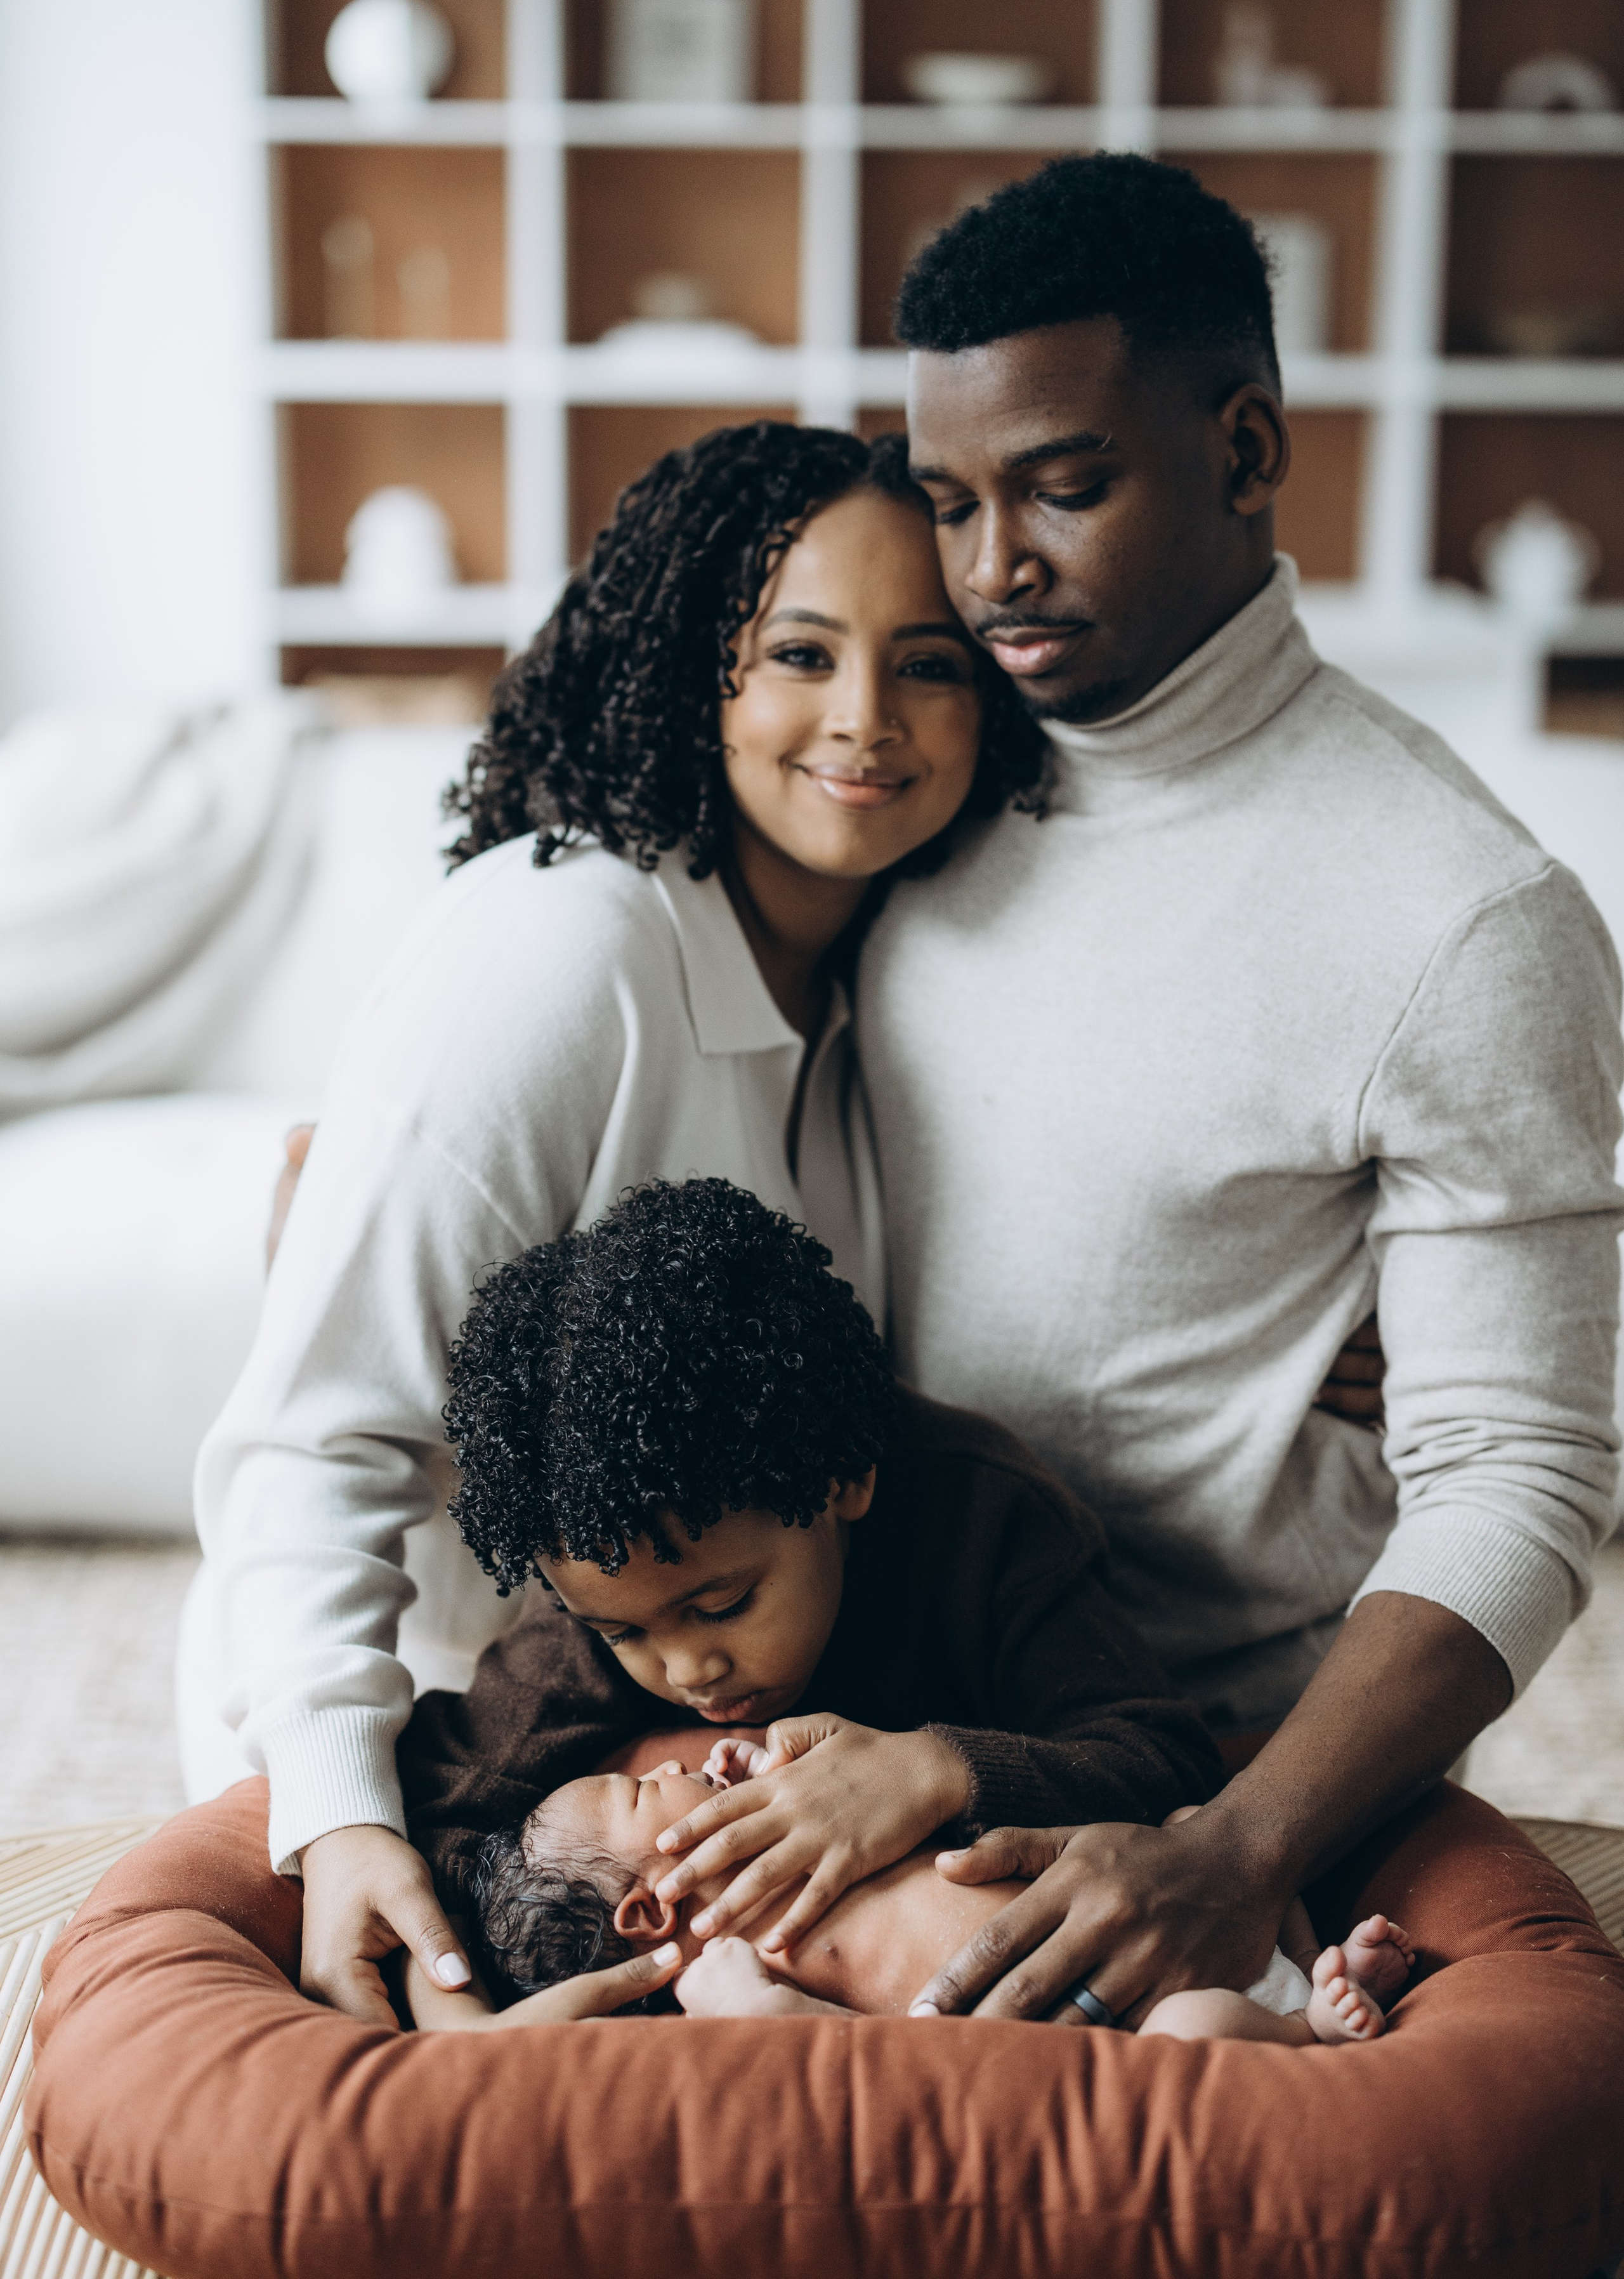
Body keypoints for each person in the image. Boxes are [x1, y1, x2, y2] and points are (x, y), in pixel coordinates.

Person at [850, 152, 1623, 2026]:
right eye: (948, 503)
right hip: (846, 1701)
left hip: (1211, 1768)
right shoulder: (908, 769)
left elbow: (1521, 1472)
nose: (991, 568)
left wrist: (1239, 1846)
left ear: (1247, 448)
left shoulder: (1460, 914)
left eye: (1064, 486)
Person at [190, 424, 1047, 2028]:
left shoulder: (884, 990)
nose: (867, 717)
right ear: (686, 672)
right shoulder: (559, 947)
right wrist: (344, 1819)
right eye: (800, 653)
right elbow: (316, 1436)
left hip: (712, 1758)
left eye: (927, 662)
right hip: (459, 1768)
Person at [396, 1175, 1222, 1948]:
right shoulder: (606, 1560)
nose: (688, 1670)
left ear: (843, 1480)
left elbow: (1165, 1758)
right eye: (623, 1636)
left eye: (723, 1607)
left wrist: (936, 1772)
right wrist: (448, 1995)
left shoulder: (984, 1516)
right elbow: (436, 1805)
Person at [406, 1755, 1413, 2048]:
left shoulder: (787, 1833)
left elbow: (851, 1797)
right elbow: (834, 2049)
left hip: (1168, 1915)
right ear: (648, 1911)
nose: (668, 1766)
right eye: (642, 1791)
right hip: (1133, 2008)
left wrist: (763, 1771)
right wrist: (764, 2009)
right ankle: (1313, 2025)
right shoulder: (726, 1973)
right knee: (1192, 2036)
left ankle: (1306, 1957)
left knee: (1200, 1819)